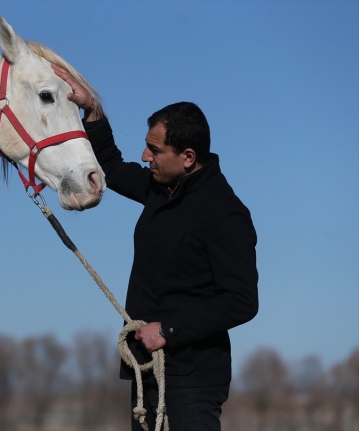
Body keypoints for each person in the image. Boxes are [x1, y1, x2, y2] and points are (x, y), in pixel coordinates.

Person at [53, 65, 259, 431]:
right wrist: (93, 113)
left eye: (154, 149)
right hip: (146, 372)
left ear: (188, 158)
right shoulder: (159, 188)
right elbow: (113, 168)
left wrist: (169, 330)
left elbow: (241, 300)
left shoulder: (226, 214)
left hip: (192, 382)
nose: (145, 158)